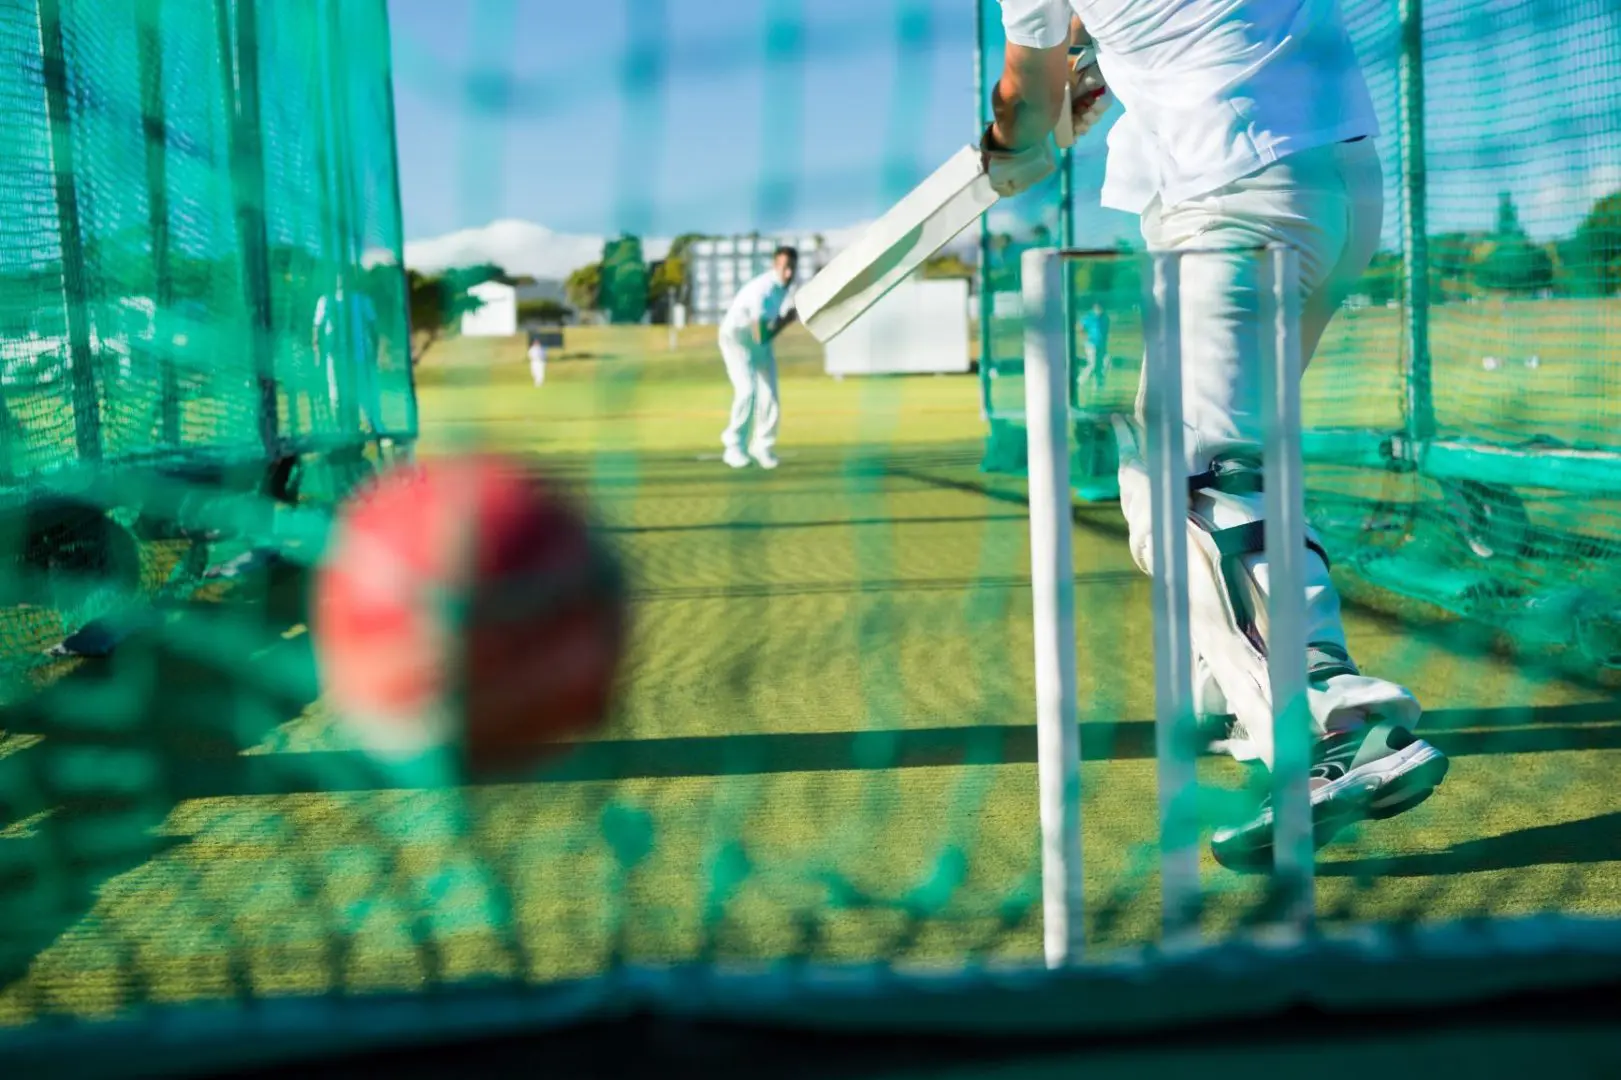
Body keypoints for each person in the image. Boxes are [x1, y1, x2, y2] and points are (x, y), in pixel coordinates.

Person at [989, 1, 1447, 869]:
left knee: (1193, 477)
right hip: (1339, 189)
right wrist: (1085, 72)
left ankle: (1332, 719)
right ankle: (1233, 694)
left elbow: (1026, 105)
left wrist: (1016, 133)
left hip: (1231, 197)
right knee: (1182, 479)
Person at [717, 246, 798, 470]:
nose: (789, 273)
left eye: (792, 268)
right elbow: (760, 335)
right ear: (775, 266)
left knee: (770, 395)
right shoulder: (761, 291)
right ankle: (733, 447)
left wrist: (786, 318)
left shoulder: (785, 288)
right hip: (736, 339)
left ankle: (762, 446)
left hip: (758, 340)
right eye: (784, 268)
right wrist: (787, 319)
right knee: (747, 391)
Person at [313, 270, 382, 434]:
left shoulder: (362, 300)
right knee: (336, 393)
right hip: (334, 358)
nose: (342, 279)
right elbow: (317, 328)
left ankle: (373, 426)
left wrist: (375, 353)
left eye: (346, 275)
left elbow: (373, 328)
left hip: (359, 357)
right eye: (339, 275)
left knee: (364, 391)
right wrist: (317, 352)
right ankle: (341, 429)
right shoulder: (326, 300)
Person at [1079, 301, 1109, 396]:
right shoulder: (1090, 317)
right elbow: (1080, 326)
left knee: (1100, 366)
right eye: (1097, 308)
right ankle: (1080, 381)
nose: (1099, 310)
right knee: (1093, 365)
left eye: (1100, 308)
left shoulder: (1105, 318)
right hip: (1091, 344)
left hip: (1101, 345)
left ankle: (1098, 388)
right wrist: (1085, 337)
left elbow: (1105, 332)